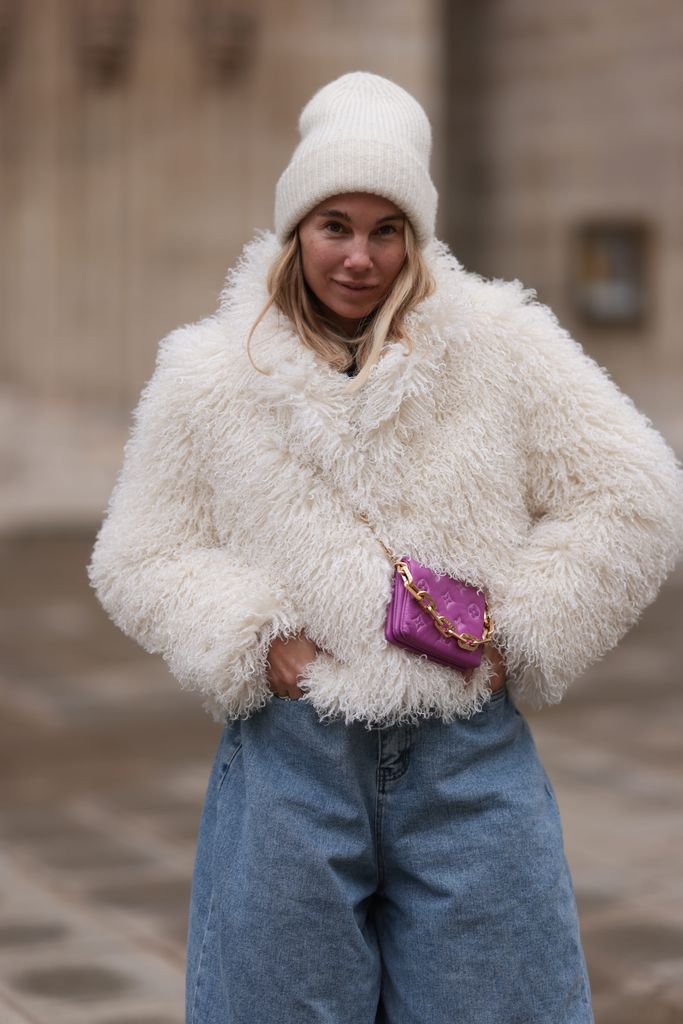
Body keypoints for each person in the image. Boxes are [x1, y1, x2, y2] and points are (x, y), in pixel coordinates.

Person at [88, 72, 683, 1024]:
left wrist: (517, 635)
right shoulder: (208, 374)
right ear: (295, 230)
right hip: (290, 770)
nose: (358, 257)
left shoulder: (497, 344)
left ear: (417, 237)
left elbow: (635, 490)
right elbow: (137, 553)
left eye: (386, 228)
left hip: (466, 762)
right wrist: (254, 644)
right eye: (335, 224)